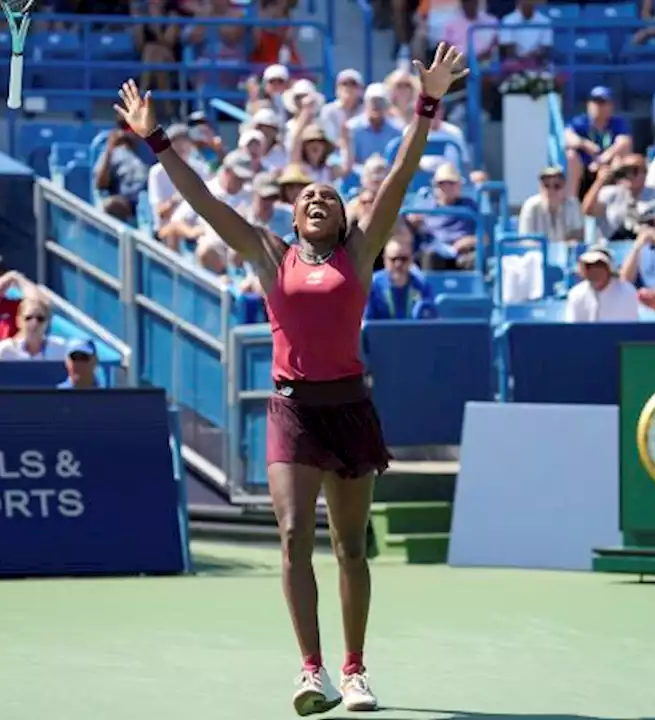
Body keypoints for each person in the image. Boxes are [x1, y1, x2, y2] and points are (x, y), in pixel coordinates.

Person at [112, 42, 468, 715]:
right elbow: (203, 200)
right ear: (292, 213)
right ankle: (313, 672)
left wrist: (426, 104)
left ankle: (356, 671)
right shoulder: (266, 251)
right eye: (308, 197)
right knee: (292, 536)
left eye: (329, 199)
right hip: (293, 412)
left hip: (350, 409)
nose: (317, 200)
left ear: (341, 218)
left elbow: (398, 174)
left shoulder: (360, 253)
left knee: (350, 549)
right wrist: (154, 138)